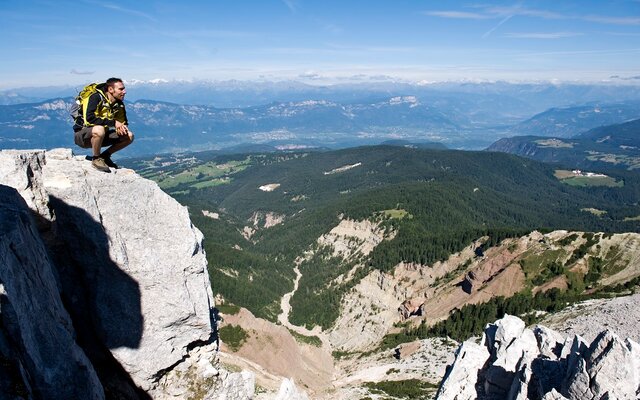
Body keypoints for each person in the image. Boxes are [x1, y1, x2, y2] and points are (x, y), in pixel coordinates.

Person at [73, 77, 134, 172]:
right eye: (121, 89)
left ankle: (105, 156)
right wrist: (113, 123)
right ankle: (96, 158)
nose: (124, 92)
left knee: (129, 136)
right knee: (99, 130)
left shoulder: (118, 104)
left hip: (102, 136)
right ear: (110, 89)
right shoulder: (95, 97)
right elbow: (89, 119)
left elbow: (122, 123)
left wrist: (123, 128)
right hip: (83, 136)